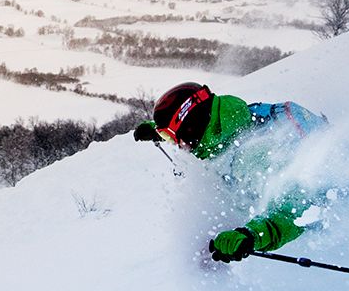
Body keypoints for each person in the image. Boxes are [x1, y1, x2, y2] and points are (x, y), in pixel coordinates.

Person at [134, 81, 330, 263]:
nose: (177, 146)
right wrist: (157, 130)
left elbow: (297, 211)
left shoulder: (256, 155)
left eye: (172, 136)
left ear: (192, 128)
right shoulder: (228, 122)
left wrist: (251, 236)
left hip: (325, 221)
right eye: (166, 137)